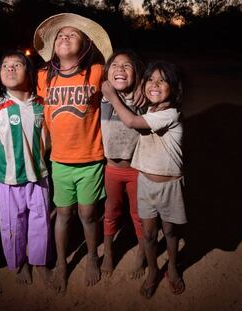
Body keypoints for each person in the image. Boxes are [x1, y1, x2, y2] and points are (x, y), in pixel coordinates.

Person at [34, 13, 113, 292]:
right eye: (61, 35)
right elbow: (38, 114)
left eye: (73, 35)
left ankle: (92, 257)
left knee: (88, 214)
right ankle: (62, 263)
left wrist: (137, 90)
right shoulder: (43, 76)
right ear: (54, 46)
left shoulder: (97, 71)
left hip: (90, 158)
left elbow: (123, 81)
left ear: (87, 44)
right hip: (59, 161)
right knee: (64, 213)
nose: (65, 38)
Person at [102, 60, 187, 299]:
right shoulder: (151, 108)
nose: (155, 85)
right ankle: (152, 271)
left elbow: (130, 121)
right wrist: (140, 86)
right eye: (150, 80)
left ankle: (171, 267)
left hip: (169, 185)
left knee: (169, 232)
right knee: (149, 234)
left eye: (162, 80)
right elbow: (131, 89)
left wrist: (110, 92)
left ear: (175, 87)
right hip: (145, 184)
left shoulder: (170, 114)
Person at [0, 50, 53, 286]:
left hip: (39, 175)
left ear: (30, 72)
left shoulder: (42, 103)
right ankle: (19, 263)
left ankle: (39, 263)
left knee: (41, 221)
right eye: (5, 65)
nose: (10, 68)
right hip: (8, 179)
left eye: (17, 65)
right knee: (12, 224)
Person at [100, 49, 146, 279]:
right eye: (115, 65)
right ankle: (108, 251)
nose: (120, 69)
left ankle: (142, 252)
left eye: (127, 66)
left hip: (137, 169)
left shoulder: (142, 97)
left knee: (139, 214)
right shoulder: (101, 95)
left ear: (136, 74)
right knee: (111, 210)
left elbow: (160, 83)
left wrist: (142, 84)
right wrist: (105, 89)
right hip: (112, 169)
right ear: (106, 74)